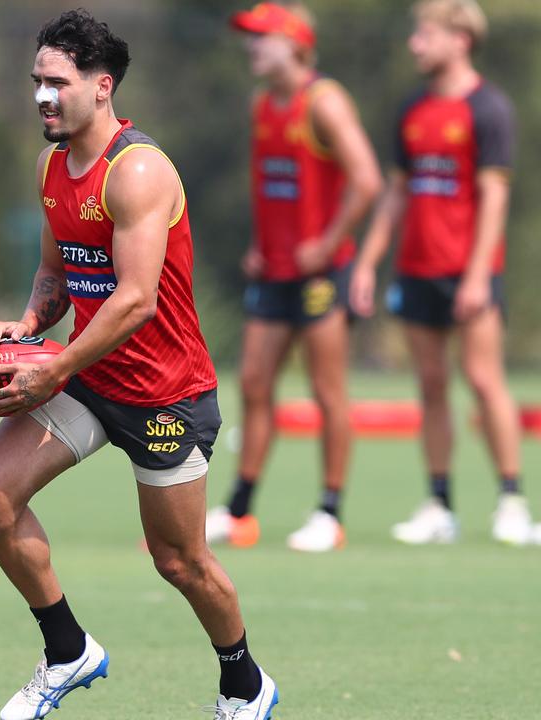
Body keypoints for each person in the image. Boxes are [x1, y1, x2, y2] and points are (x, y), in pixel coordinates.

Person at [0, 10, 277, 719]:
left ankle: (244, 684)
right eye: (37, 81)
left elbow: (134, 302)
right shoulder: (52, 165)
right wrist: (27, 324)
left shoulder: (138, 171)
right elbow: (56, 273)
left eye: (58, 83)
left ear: (101, 87)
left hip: (165, 393)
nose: (43, 96)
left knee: (180, 563)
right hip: (90, 377)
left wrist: (50, 367)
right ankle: (67, 649)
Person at [352, 0, 533, 546]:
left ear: (460, 39)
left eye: (425, 34)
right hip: (418, 269)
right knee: (431, 387)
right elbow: (396, 195)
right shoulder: (412, 108)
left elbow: (495, 199)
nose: (415, 44)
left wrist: (478, 276)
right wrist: (367, 262)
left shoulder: (489, 109)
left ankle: (512, 502)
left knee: (483, 381)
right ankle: (439, 504)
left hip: (469, 272)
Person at [208, 2, 382, 552]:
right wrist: (262, 245)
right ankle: (240, 512)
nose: (252, 47)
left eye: (263, 38)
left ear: (296, 44)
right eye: (250, 38)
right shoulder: (263, 103)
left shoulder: (323, 102)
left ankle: (329, 513)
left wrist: (328, 245)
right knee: (255, 384)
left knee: (328, 392)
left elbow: (368, 181)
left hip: (321, 274)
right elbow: (272, 182)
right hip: (275, 270)